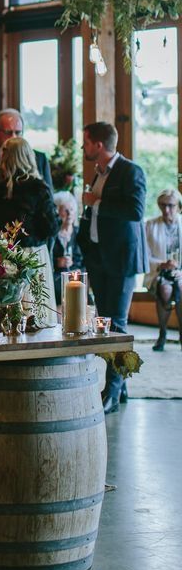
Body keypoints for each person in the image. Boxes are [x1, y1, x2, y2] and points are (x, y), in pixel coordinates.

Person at [78, 121, 147, 414]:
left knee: (116, 326)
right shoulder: (99, 173)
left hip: (121, 260)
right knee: (105, 324)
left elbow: (135, 211)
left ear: (99, 145)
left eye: (86, 143)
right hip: (100, 257)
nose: (84, 148)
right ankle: (123, 387)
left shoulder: (131, 171)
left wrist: (97, 202)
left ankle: (112, 391)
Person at [0, 137, 60, 327]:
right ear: (29, 157)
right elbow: (51, 227)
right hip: (31, 255)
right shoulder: (37, 186)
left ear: (3, 155)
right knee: (35, 311)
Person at [143, 188, 182, 351]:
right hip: (159, 271)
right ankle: (163, 333)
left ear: (179, 206)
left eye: (171, 206)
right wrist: (162, 264)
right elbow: (145, 256)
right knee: (165, 289)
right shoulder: (150, 225)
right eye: (163, 205)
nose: (166, 210)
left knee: (180, 286)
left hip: (180, 271)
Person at [52, 190, 84, 304]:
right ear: (57, 212)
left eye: (71, 210)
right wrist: (57, 262)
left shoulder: (79, 234)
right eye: (65, 210)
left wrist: (77, 269)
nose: (70, 214)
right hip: (56, 279)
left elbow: (84, 260)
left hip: (75, 280)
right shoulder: (52, 235)